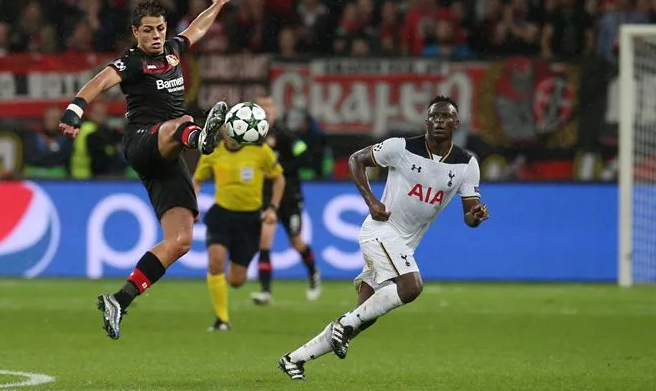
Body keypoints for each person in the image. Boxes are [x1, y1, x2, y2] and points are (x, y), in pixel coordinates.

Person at [58, 0, 234, 340]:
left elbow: (196, 29)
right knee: (183, 122)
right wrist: (75, 111)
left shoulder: (172, 51)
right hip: (142, 140)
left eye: (160, 28)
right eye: (148, 30)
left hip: (166, 157)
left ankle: (120, 300)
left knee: (182, 240)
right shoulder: (133, 61)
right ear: (136, 33)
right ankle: (200, 138)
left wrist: (217, 4)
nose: (156, 35)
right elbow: (99, 81)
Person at [278, 96, 490, 380]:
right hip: (381, 230)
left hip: (405, 242)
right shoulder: (400, 147)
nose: (440, 121)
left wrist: (474, 216)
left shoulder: (467, 164)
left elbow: (469, 214)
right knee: (411, 286)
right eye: (434, 117)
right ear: (426, 122)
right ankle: (343, 325)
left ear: (457, 123)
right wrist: (371, 202)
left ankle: (294, 359)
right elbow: (356, 160)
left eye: (446, 117)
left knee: (364, 315)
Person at [193, 125, 285, 331]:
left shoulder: (259, 151)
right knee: (215, 263)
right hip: (221, 216)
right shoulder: (212, 152)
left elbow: (279, 178)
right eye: (226, 127)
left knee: (236, 280)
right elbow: (197, 179)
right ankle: (222, 320)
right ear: (222, 130)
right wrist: (192, 206)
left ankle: (221, 288)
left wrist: (273, 207)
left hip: (249, 220)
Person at [250, 96, 321, 305]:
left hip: (290, 196)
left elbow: (304, 155)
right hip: (266, 196)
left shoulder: (285, 135)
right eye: (262, 107)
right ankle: (265, 291)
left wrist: (280, 168)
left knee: (296, 241)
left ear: (275, 111)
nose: (266, 110)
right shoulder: (253, 137)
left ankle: (313, 271)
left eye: (269, 106)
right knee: (265, 240)